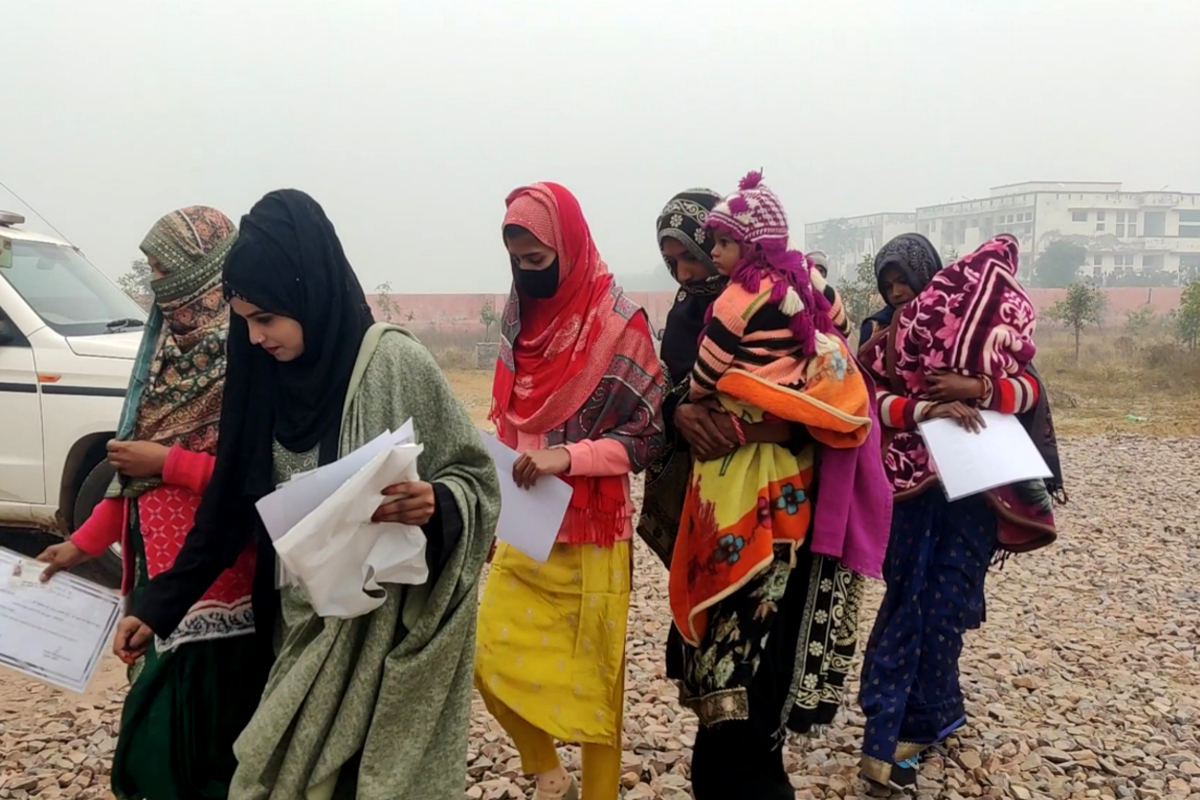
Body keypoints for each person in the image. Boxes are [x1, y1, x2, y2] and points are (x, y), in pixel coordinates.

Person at [110, 190, 500, 800]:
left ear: (308, 292)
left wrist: (438, 505)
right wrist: (156, 605)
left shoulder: (394, 364)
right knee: (277, 771)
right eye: (244, 320)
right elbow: (229, 507)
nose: (256, 335)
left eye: (267, 318)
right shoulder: (261, 375)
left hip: (383, 634)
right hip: (297, 628)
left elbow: (475, 478)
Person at [663, 175, 888, 800]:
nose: (685, 270)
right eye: (672, 258)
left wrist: (754, 423)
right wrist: (680, 411)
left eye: (696, 254)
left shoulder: (782, 297)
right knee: (717, 698)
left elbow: (835, 394)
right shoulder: (686, 321)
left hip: (782, 517)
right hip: (709, 516)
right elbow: (665, 404)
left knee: (754, 698)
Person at [37, 206, 259, 800]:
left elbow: (256, 482)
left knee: (182, 748)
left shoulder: (246, 362)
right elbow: (131, 489)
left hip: (220, 591)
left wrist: (167, 462)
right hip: (160, 585)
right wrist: (79, 545)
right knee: (158, 753)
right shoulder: (160, 359)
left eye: (163, 268)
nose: (155, 283)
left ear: (199, 271)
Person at [474, 182, 667, 800]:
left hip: (590, 527)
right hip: (526, 524)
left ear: (571, 247)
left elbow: (646, 439)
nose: (529, 275)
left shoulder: (620, 324)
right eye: (519, 263)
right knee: (486, 659)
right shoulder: (518, 321)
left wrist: (567, 456)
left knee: (595, 686)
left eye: (539, 261)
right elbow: (509, 416)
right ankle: (543, 767)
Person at [856, 233, 1062, 792]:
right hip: (911, 492)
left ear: (933, 277)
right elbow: (867, 403)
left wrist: (977, 386)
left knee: (948, 598)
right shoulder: (878, 339)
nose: (898, 292)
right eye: (889, 283)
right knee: (909, 598)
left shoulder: (978, 332)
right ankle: (891, 729)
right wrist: (927, 405)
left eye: (906, 281)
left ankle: (929, 713)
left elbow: (1028, 393)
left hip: (972, 489)